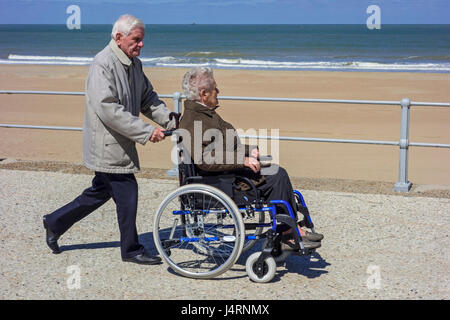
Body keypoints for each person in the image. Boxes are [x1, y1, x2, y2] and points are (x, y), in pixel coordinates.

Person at [43, 14, 176, 265]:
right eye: (136, 40)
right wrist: (147, 132)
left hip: (119, 144)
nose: (141, 44)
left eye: (142, 40)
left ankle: (54, 222)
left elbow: (148, 99)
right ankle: (131, 249)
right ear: (119, 37)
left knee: (98, 192)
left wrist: (172, 121)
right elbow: (108, 109)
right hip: (106, 145)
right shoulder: (102, 64)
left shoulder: (134, 64)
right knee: (128, 193)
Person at [177, 67, 323, 250]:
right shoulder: (194, 120)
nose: (219, 91)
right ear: (204, 93)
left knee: (277, 173)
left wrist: (248, 151)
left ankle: (291, 230)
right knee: (276, 177)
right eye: (215, 88)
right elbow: (205, 159)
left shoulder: (205, 114)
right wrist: (242, 160)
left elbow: (224, 146)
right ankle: (288, 233)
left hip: (226, 175)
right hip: (220, 182)